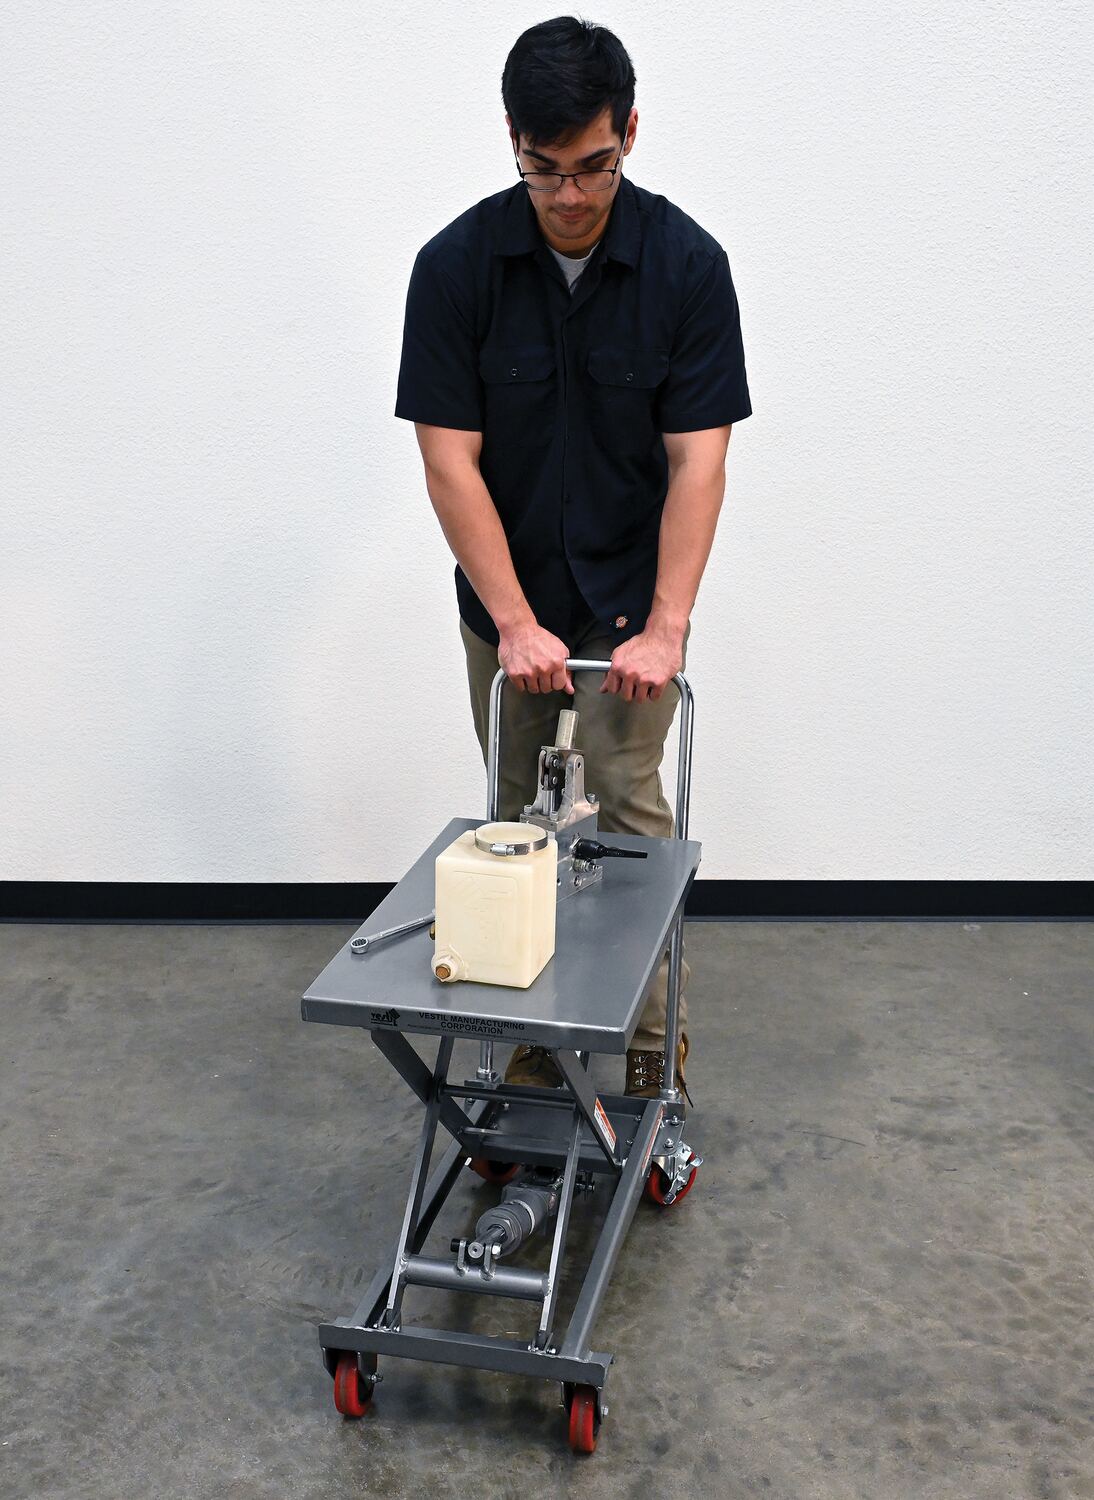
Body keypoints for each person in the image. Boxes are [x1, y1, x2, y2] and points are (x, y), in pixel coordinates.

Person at [394, 16, 752, 1101]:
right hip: (505, 599)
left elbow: (697, 461)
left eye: (592, 165)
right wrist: (511, 621)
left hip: (627, 603)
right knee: (512, 823)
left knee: (629, 814)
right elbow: (449, 462)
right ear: (512, 140)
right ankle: (533, 1042)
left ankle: (648, 1046)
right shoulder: (454, 267)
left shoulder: (687, 266)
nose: (568, 195)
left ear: (629, 132)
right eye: (542, 169)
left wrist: (667, 626)